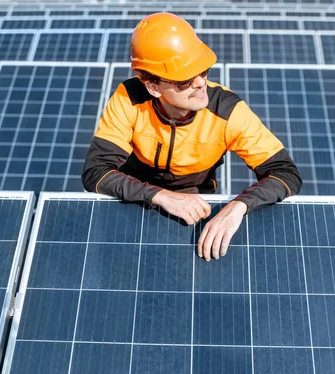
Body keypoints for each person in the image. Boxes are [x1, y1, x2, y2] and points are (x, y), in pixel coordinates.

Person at [82, 12, 301, 261]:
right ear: (153, 87)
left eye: (203, 71)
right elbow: (95, 173)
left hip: (196, 200)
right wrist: (160, 196)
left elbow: (286, 173)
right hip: (133, 198)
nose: (199, 83)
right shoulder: (128, 98)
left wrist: (238, 207)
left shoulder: (228, 111)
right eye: (184, 80)